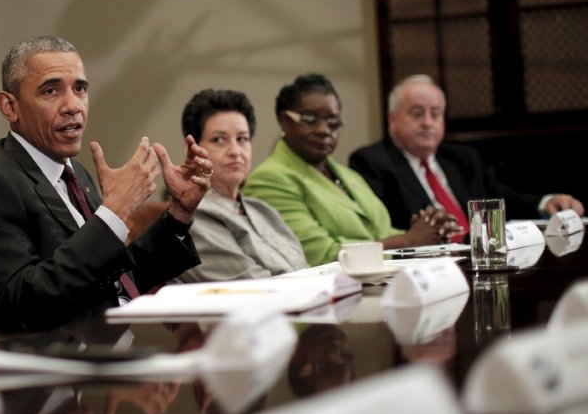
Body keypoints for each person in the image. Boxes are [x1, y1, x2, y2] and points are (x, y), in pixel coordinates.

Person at [0, 35, 211, 332]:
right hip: (70, 357)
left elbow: (116, 281)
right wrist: (113, 212)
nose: (73, 106)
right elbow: (20, 304)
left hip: (118, 334)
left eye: (80, 89)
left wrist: (178, 216)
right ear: (10, 106)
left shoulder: (76, 173)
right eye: (50, 91)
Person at [244, 73, 452, 266]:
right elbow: (321, 254)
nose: (324, 130)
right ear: (284, 121)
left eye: (332, 121)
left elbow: (382, 232)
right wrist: (409, 240)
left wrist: (428, 231)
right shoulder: (269, 179)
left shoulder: (349, 176)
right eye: (310, 119)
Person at [349, 74, 584, 232]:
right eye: (417, 113)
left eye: (436, 113)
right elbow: (388, 228)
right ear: (392, 120)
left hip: (483, 258)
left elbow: (501, 200)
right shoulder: (372, 162)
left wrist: (546, 203)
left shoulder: (462, 159)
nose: (428, 123)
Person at [175, 89, 307, 283]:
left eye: (242, 139)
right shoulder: (189, 220)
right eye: (219, 139)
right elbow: (252, 287)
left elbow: (307, 270)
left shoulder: (264, 211)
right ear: (192, 149)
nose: (235, 151)